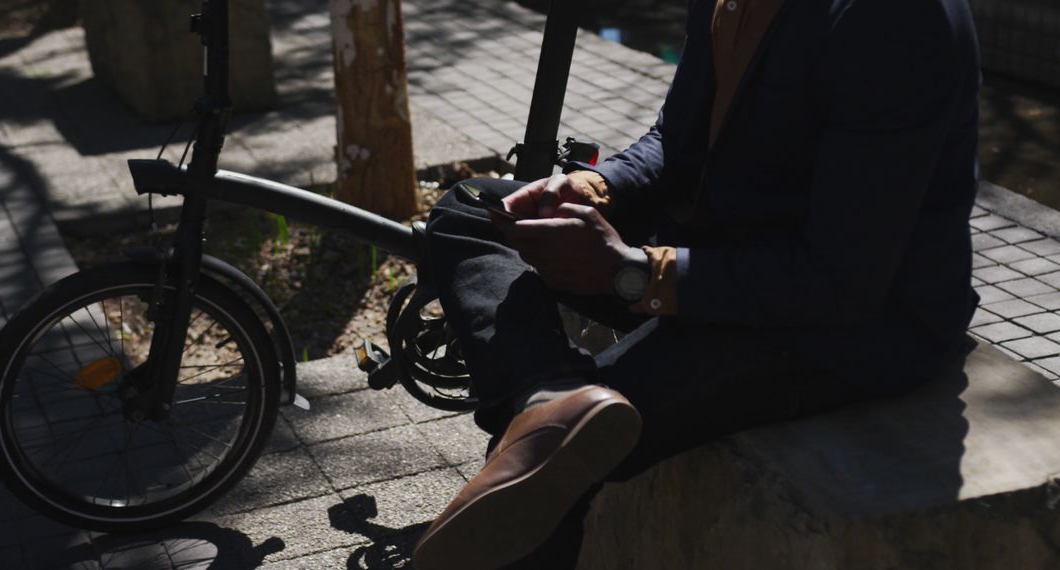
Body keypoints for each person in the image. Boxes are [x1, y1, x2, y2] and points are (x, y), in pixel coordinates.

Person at [413, 0, 981, 567]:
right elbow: (677, 137)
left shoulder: (896, 18)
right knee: (473, 211)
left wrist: (633, 271)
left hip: (846, 323)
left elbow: (839, 279)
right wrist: (592, 188)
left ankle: (551, 423)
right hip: (722, 252)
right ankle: (548, 393)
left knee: (546, 469)